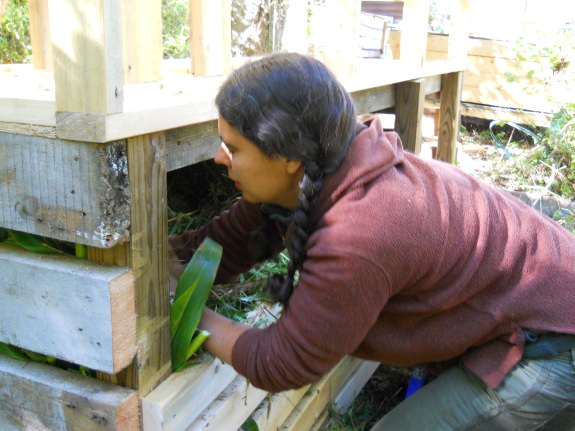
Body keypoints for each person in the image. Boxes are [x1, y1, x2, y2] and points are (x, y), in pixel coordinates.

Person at [168, 51, 575, 430]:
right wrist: (160, 268)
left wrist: (184, 314)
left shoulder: (358, 232)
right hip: (531, 299)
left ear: (289, 158)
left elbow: (285, 362)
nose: (220, 157)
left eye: (233, 147)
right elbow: (232, 239)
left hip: (550, 343)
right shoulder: (326, 163)